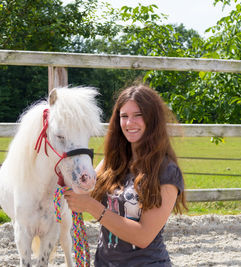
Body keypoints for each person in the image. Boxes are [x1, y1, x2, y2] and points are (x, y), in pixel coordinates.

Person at [64, 84, 187, 266]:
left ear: (152, 119)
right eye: (124, 116)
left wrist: (92, 206)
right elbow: (82, 192)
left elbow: (143, 236)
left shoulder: (167, 171)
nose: (130, 123)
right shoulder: (113, 161)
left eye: (138, 115)